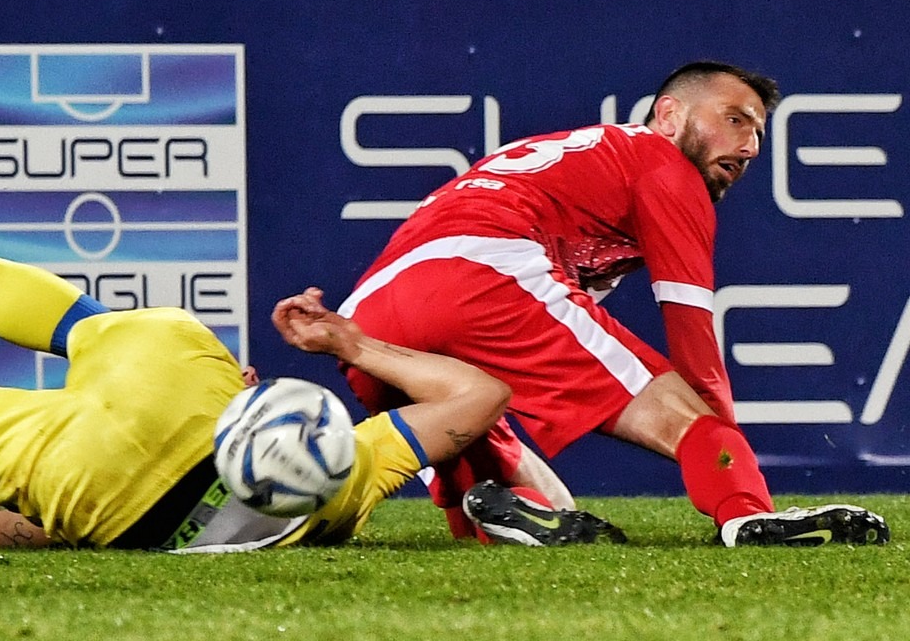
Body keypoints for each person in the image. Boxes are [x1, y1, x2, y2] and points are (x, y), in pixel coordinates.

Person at [0, 205, 624, 551]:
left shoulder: (341, 464)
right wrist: (356, 347)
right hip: (111, 504)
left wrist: (339, 342)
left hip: (174, 398)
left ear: (255, 390)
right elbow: (483, 397)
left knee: (20, 338)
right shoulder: (341, 488)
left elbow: (478, 395)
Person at [338, 60, 890, 547]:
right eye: (734, 120)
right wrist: (726, 459)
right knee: (691, 421)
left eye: (758, 133)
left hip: (368, 318)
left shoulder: (584, 160)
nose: (749, 147)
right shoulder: (662, 164)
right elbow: (693, 335)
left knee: (512, 491)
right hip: (483, 273)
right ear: (668, 115)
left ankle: (498, 522)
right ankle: (748, 518)